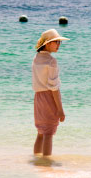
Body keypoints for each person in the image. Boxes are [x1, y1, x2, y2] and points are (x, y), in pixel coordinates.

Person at [32, 29, 69, 157]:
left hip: (38, 98)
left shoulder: (36, 58)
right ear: (47, 44)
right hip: (48, 97)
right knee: (48, 133)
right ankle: (46, 165)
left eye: (59, 42)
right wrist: (60, 109)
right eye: (56, 42)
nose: (58, 45)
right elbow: (54, 88)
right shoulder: (51, 61)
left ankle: (37, 161)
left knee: (41, 132)